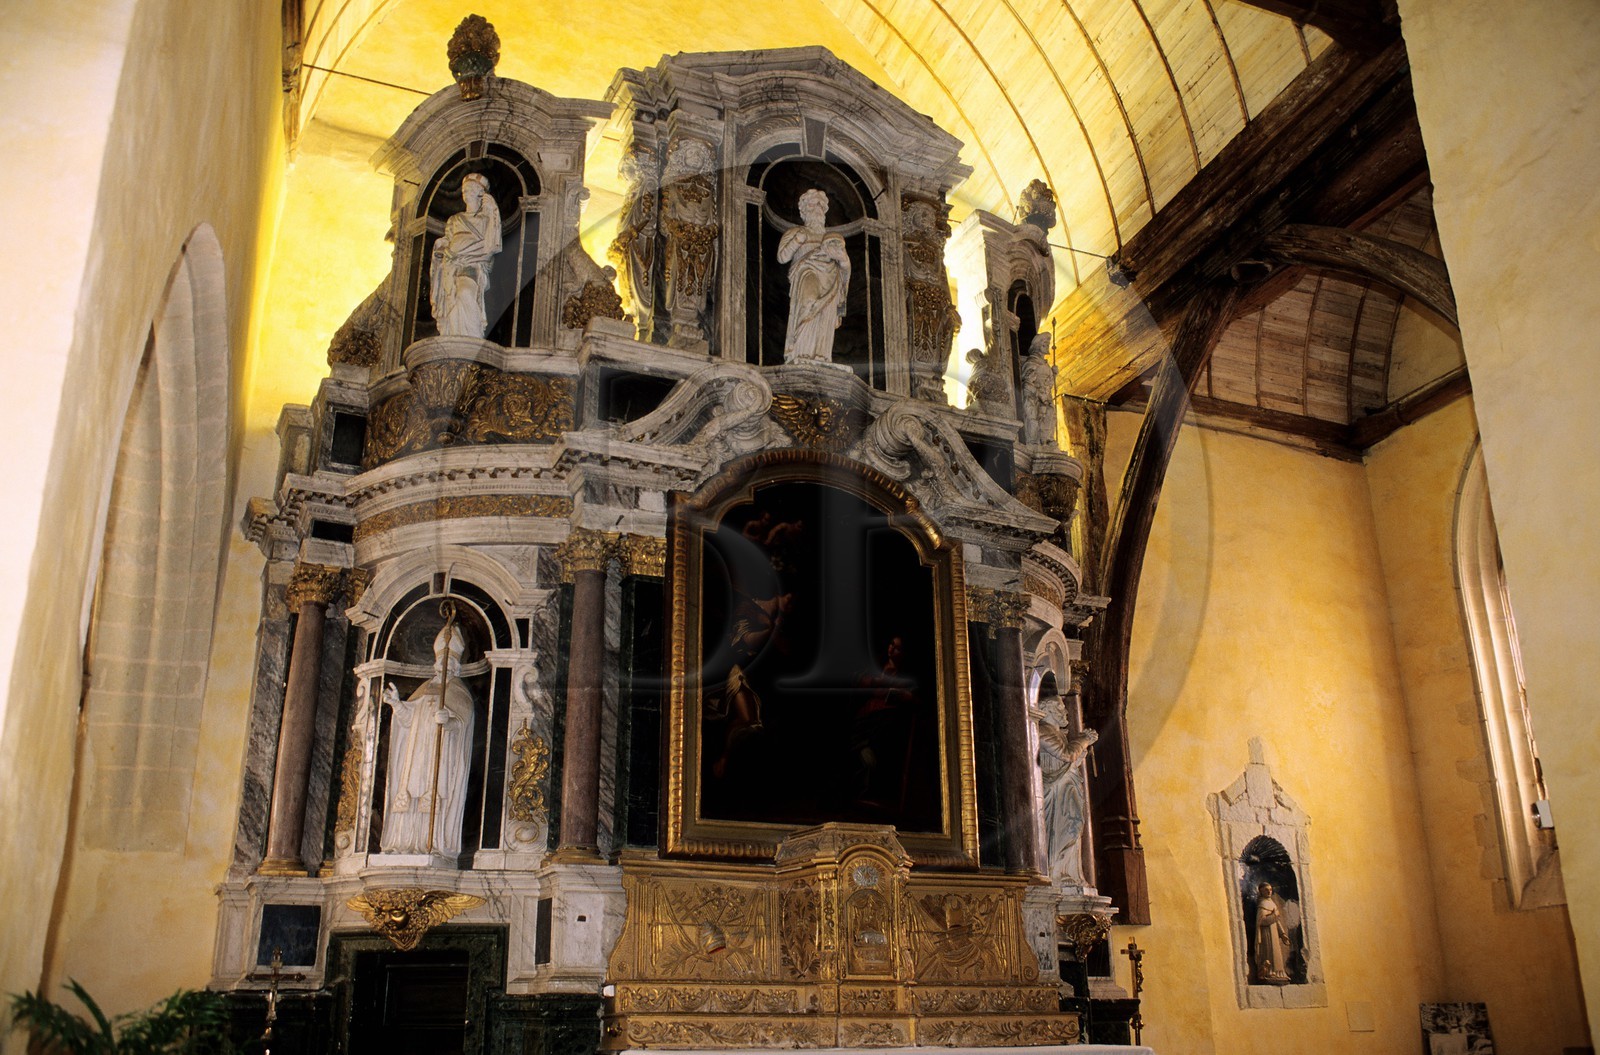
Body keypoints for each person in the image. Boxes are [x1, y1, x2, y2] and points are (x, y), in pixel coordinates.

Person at [381, 624, 476, 856]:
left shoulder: (458, 692)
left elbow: (462, 725)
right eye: (440, 663)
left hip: (440, 759)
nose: (442, 667)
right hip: (416, 759)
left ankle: (431, 845)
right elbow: (408, 720)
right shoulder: (424, 688)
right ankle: (404, 844)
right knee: (409, 799)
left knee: (433, 799)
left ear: (455, 667)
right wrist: (397, 704)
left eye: (447, 664)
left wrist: (449, 721)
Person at [778, 189, 851, 363]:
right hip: (806, 273)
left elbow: (845, 269)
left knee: (826, 312)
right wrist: (798, 240)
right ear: (803, 210)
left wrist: (844, 259)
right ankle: (801, 351)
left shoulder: (832, 238)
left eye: (821, 204)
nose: (817, 208)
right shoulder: (796, 232)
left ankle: (822, 355)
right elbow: (782, 257)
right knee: (808, 303)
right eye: (812, 203)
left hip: (831, 279)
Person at [429, 172, 502, 338]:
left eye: (469, 189)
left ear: (479, 193)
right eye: (463, 190)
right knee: (452, 301)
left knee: (465, 293)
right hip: (451, 264)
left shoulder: (485, 220)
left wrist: (493, 212)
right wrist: (441, 248)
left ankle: (473, 336)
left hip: (472, 265)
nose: (465, 193)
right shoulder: (455, 219)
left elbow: (491, 245)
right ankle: (454, 335)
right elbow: (448, 239)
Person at [1252, 882, 1294, 985]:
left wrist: (1283, 934)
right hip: (1267, 934)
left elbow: (1277, 920)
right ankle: (1270, 972)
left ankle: (1279, 973)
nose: (1269, 891)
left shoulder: (1272, 903)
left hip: (1274, 932)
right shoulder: (1262, 904)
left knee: (1277, 953)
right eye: (1266, 890)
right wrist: (1274, 915)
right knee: (1270, 953)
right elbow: (1262, 921)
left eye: (1270, 889)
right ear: (1261, 891)